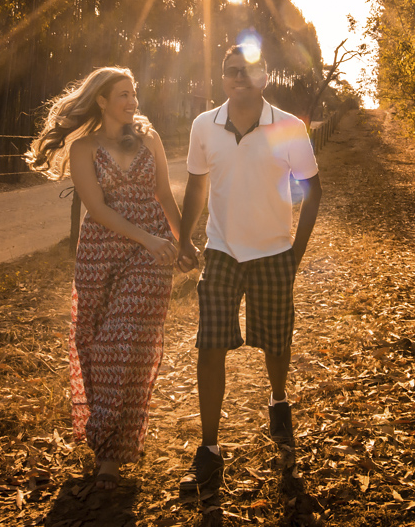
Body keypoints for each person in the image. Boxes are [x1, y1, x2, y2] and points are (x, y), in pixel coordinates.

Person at [26, 67, 187, 490]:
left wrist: (178, 241)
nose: (133, 100)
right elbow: (96, 210)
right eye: (123, 94)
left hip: (149, 258)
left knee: (123, 341)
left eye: (134, 93)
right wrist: (148, 238)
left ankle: (111, 458)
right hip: (100, 256)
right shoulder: (84, 149)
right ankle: (110, 450)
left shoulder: (149, 138)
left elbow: (165, 196)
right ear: (101, 100)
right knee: (99, 346)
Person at [175, 45, 323, 498]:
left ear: (264, 77)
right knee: (210, 345)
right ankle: (210, 449)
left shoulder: (288, 128)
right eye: (230, 71)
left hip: (274, 253)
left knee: (276, 342)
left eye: (248, 71)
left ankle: (279, 401)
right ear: (223, 77)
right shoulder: (205, 125)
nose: (239, 77)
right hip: (221, 253)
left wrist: (295, 254)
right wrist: (185, 238)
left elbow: (312, 191)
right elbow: (198, 185)